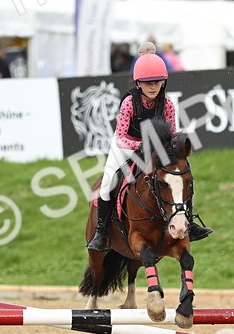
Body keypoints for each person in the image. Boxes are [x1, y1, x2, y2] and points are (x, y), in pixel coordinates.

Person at [86, 52, 212, 250]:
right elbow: (120, 137)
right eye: (147, 83)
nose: (153, 87)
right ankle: (101, 232)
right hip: (125, 147)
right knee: (108, 183)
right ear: (138, 84)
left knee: (179, 179)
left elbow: (171, 134)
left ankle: (189, 222)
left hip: (153, 151)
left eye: (157, 82)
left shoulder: (167, 104)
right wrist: (141, 145)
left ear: (163, 82)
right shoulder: (129, 103)